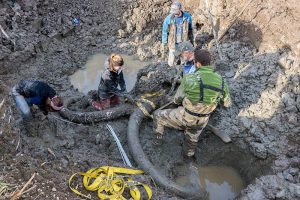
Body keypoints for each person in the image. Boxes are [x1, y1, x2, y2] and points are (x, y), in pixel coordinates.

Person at [153, 48, 231, 158]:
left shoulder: (189, 78)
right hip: (202, 121)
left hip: (186, 118)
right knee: (192, 140)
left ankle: (157, 143)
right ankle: (188, 158)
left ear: (198, 64)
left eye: (194, 62)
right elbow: (227, 103)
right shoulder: (222, 81)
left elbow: (177, 100)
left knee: (157, 116)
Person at [161, 1, 193, 67]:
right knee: (171, 59)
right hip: (173, 42)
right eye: (173, 12)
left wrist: (191, 41)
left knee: (184, 60)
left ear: (180, 9)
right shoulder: (168, 19)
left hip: (183, 42)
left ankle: (183, 71)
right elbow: (164, 31)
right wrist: (164, 42)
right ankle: (170, 69)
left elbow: (191, 29)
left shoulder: (187, 17)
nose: (174, 14)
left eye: (175, 11)